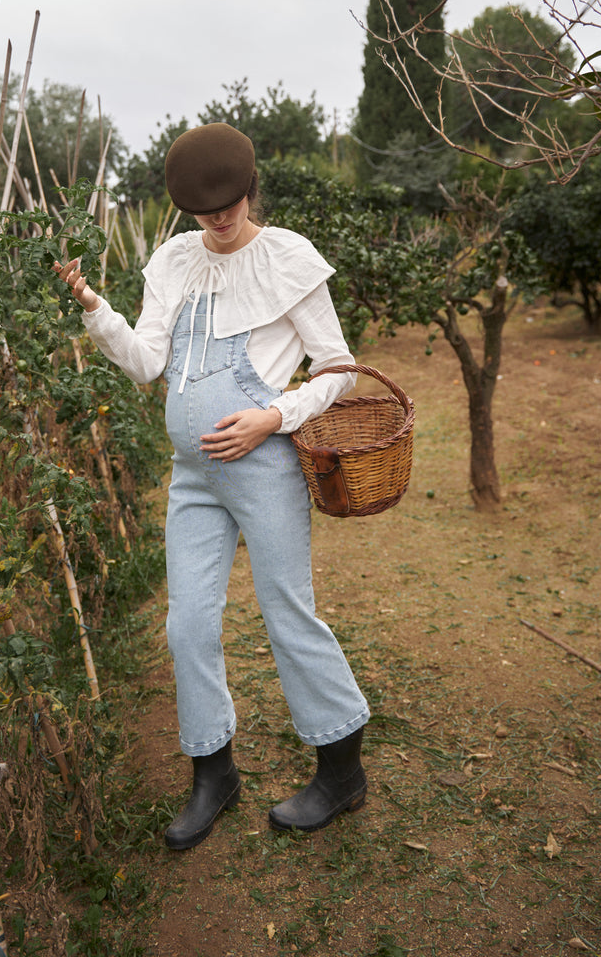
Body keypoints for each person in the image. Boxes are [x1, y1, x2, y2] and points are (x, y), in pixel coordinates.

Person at [54, 122, 370, 850]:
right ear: (185, 209)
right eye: (204, 211)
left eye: (229, 204)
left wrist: (272, 417)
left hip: (262, 466)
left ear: (249, 190)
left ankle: (341, 769)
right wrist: (95, 310)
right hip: (193, 475)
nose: (219, 219)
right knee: (187, 624)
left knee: (288, 612)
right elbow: (143, 364)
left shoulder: (287, 259)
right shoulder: (173, 262)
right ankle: (213, 772)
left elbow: (340, 367)